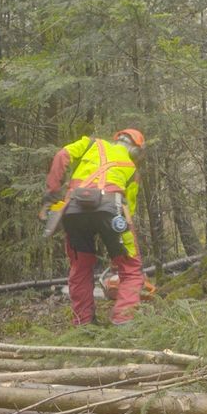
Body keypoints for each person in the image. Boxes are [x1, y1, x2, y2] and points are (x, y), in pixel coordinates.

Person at [40, 129, 147, 326]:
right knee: (131, 269)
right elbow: (129, 209)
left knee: (80, 266)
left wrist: (52, 190)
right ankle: (124, 321)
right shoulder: (131, 168)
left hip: (73, 209)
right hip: (112, 208)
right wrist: (121, 250)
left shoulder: (91, 143)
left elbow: (62, 155)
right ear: (136, 150)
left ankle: (83, 323)